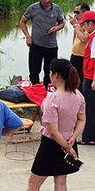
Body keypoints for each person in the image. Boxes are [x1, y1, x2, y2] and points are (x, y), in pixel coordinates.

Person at [27, 58, 86, 191]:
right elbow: (82, 119)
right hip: (69, 141)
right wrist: (73, 138)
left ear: (56, 75)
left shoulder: (52, 98)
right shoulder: (78, 95)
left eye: (50, 72)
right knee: (60, 183)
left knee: (33, 184)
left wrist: (67, 147)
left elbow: (53, 131)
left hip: (51, 144)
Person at [19, 0, 65, 87]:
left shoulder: (56, 8)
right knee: (34, 71)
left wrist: (57, 28)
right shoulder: (33, 8)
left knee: (50, 72)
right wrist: (27, 36)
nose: (46, 1)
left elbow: (62, 23)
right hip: (36, 45)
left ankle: (48, 94)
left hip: (51, 46)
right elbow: (22, 22)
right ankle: (35, 92)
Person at [79, 11, 95, 144]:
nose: (84, 27)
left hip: (91, 77)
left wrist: (94, 80)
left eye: (85, 24)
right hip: (88, 75)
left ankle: (89, 137)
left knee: (90, 107)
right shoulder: (92, 36)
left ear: (91, 24)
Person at [68, 3, 90, 88]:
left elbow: (84, 39)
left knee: (82, 81)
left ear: (85, 13)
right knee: (73, 80)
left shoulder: (89, 25)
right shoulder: (78, 25)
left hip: (83, 57)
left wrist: (74, 25)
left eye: (77, 12)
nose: (75, 15)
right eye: (74, 12)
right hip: (75, 56)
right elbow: (74, 39)